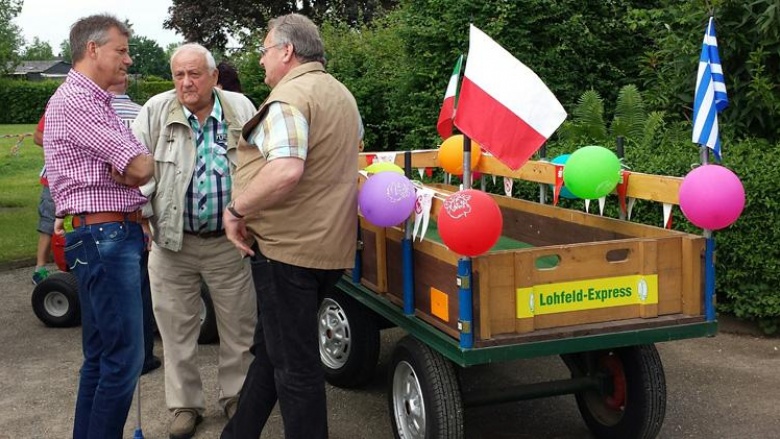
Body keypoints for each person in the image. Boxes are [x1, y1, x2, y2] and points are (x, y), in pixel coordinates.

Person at [221, 13, 362, 439]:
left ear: (286, 51)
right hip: (325, 250)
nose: (261, 61)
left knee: (295, 369)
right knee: (272, 351)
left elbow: (285, 170)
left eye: (264, 51)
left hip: (287, 253)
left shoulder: (289, 99)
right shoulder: (341, 95)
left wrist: (236, 210)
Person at [132, 43, 257, 439]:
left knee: (239, 326)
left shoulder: (241, 109)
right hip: (171, 243)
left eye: (195, 74)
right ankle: (185, 406)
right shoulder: (155, 110)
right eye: (179, 75)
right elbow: (133, 167)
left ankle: (236, 395)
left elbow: (262, 165)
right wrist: (142, 212)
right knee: (175, 330)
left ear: (214, 76)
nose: (186, 83)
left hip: (228, 242)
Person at [42, 14, 154, 439]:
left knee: (102, 357)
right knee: (125, 359)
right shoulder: (80, 102)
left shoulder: (97, 102)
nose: (128, 60)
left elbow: (134, 165)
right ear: (93, 49)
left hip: (102, 235)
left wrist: (126, 169)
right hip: (105, 237)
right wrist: (127, 170)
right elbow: (142, 165)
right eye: (120, 50)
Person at [107, 78, 162, 375]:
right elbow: (147, 171)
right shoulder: (140, 113)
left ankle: (118, 359)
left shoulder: (94, 115)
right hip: (133, 215)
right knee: (139, 289)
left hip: (101, 218)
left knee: (107, 294)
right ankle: (142, 356)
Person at [32, 113, 53, 285]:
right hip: (53, 177)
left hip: (79, 177)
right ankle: (40, 268)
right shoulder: (55, 106)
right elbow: (37, 136)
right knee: (48, 221)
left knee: (73, 223)